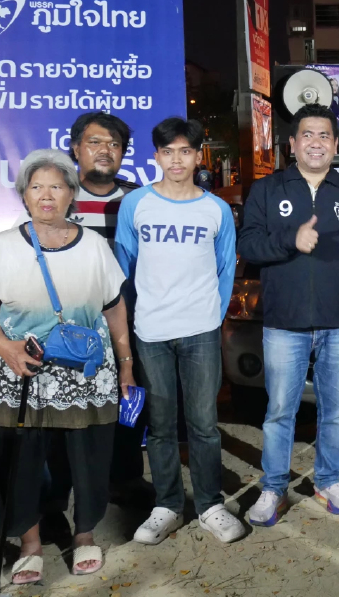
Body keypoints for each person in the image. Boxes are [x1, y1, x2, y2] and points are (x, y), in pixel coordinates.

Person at [0, 112, 145, 529]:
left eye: (114, 144)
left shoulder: (135, 200)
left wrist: (127, 358)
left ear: (68, 192)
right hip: (46, 350)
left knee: (107, 430)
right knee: (44, 445)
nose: (105, 150)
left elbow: (123, 289)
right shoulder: (16, 235)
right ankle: (44, 516)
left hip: (115, 331)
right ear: (76, 149)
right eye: (95, 142)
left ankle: (115, 495)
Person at [239, 104, 339, 525]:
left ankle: (328, 480)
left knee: (336, 408)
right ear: (291, 144)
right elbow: (248, 245)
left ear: (335, 145)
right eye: (307, 135)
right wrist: (292, 239)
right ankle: (273, 488)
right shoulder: (267, 191)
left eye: (324, 136)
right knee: (280, 411)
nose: (316, 143)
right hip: (284, 322)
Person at [115, 118, 243, 544]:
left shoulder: (215, 209)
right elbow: (124, 269)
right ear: (156, 156)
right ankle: (167, 504)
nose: (176, 160)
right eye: (167, 152)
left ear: (197, 155)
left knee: (204, 424)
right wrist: (134, 322)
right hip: (150, 331)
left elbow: (226, 269)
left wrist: (212, 314)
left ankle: (210, 505)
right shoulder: (137, 205)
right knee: (162, 425)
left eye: (185, 151)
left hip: (201, 331)